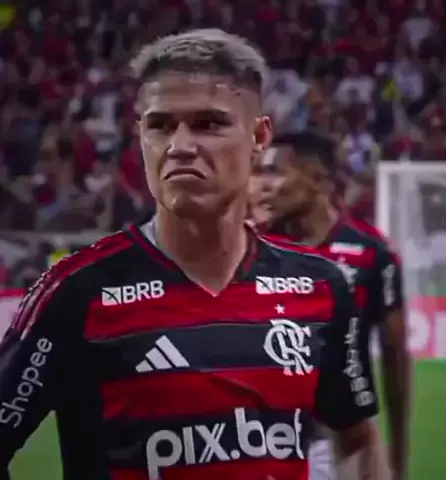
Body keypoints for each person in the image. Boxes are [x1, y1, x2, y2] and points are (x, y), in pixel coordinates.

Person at [0, 29, 388, 480]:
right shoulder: (76, 291)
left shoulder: (319, 285)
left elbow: (357, 440)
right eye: (160, 125)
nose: (180, 146)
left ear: (259, 136)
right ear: (140, 135)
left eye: (209, 124)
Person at [249, 131, 411, 480]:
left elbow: (395, 356)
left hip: (345, 440)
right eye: (259, 172)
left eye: (275, 172)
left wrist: (398, 456)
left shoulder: (371, 254)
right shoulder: (255, 250)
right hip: (269, 440)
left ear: (318, 179)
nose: (263, 185)